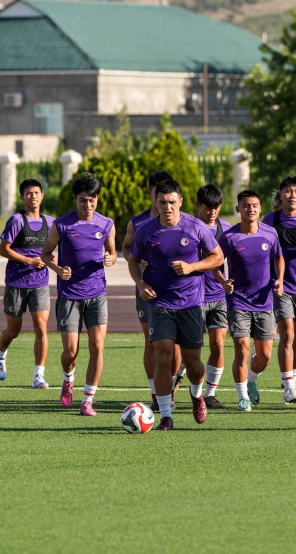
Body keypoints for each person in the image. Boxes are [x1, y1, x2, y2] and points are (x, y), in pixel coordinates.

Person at [128, 179, 223, 430]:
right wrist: (140, 283)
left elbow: (217, 257)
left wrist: (192, 267)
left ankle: (197, 394)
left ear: (180, 201)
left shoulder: (196, 227)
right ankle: (166, 415)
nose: (167, 207)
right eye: (162, 202)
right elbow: (133, 259)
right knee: (162, 354)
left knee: (193, 363)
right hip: (160, 302)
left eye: (172, 202)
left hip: (191, 303)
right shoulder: (146, 231)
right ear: (155, 202)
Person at [40, 172, 117, 417]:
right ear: (75, 198)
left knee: (97, 346)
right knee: (70, 352)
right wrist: (57, 269)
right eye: (83, 200)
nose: (88, 205)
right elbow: (45, 254)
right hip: (69, 296)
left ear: (97, 199)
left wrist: (110, 258)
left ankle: (87, 400)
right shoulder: (62, 224)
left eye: (92, 199)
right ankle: (68, 377)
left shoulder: (107, 224)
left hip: (97, 294)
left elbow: (113, 253)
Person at [215, 190, 284, 411]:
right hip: (239, 302)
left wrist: (280, 279)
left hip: (264, 302)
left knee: (264, 355)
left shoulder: (270, 233)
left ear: (260, 208)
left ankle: (252, 380)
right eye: (245, 205)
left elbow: (279, 257)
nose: (250, 209)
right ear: (238, 209)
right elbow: (215, 262)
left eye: (254, 205)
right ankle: (242, 396)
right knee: (242, 349)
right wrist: (223, 281)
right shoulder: (229, 236)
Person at [120, 170, 181, 410]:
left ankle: (171, 389)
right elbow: (126, 249)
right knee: (151, 342)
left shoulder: (182, 221)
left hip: (175, 291)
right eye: (158, 194)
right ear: (151, 194)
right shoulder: (138, 223)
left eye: (167, 196)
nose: (163, 201)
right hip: (148, 289)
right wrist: (136, 261)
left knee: (173, 344)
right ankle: (156, 393)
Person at [0, 179, 55, 389]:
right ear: (22, 197)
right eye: (29, 193)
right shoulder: (17, 221)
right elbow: (3, 249)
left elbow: (53, 250)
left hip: (40, 283)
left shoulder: (49, 222)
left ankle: (38, 375)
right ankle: (0, 354)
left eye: (37, 192)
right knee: (13, 330)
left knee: (41, 328)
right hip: (16, 282)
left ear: (42, 196)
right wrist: (29, 260)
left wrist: (53, 257)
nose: (33, 196)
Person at [262, 175, 296, 405]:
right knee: (287, 334)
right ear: (281, 194)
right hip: (279, 285)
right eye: (288, 191)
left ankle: (292, 377)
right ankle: (289, 388)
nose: (292, 196)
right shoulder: (270, 220)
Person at [195, 184, 231, 409]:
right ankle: (182, 387)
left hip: (218, 297)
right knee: (191, 349)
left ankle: (209, 394)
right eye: (208, 207)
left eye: (216, 207)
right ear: (197, 205)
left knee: (218, 345)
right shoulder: (187, 227)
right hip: (193, 298)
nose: (212, 212)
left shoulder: (225, 229)